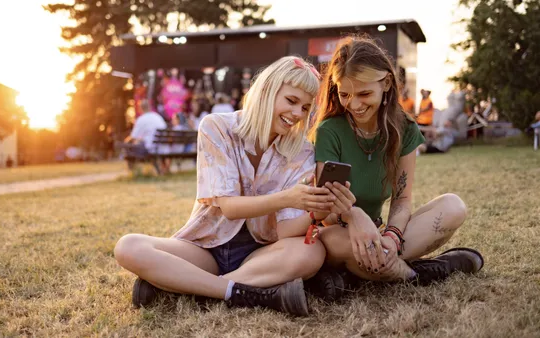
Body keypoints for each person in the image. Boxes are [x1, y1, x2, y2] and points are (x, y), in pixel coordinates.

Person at [114, 56, 354, 316]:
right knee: (128, 246)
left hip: (261, 252)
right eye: (291, 100)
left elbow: (285, 231)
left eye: (306, 108)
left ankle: (185, 285)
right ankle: (243, 292)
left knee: (311, 253)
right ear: (266, 92)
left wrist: (317, 210)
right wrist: (288, 198)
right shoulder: (217, 127)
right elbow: (229, 207)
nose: (297, 114)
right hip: (205, 248)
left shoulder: (302, 151)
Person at [308, 36, 484, 297]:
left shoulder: (405, 128)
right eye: (345, 94)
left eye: (364, 93)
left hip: (377, 238)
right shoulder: (330, 130)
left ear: (386, 83)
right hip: (337, 234)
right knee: (337, 240)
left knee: (453, 206)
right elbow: (326, 213)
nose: (354, 104)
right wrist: (353, 217)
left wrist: (392, 237)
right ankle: (418, 274)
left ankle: (357, 274)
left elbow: (402, 200)